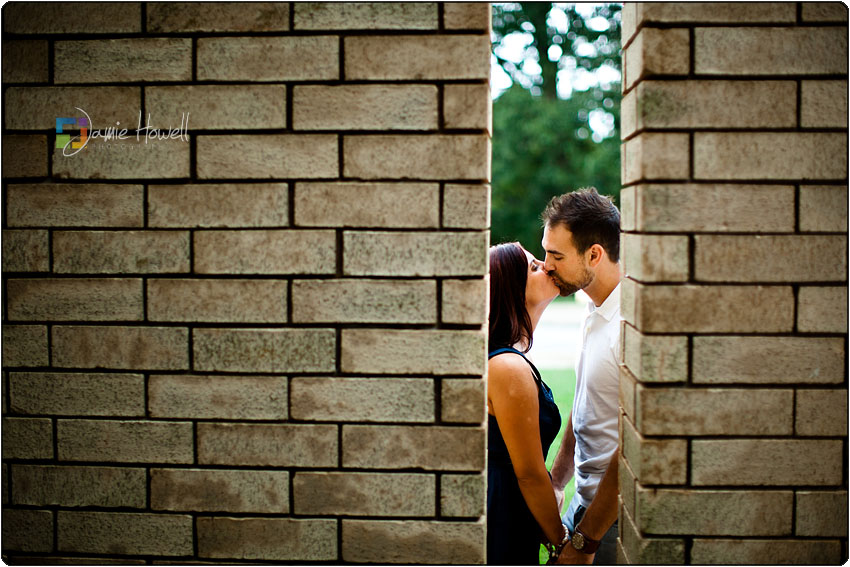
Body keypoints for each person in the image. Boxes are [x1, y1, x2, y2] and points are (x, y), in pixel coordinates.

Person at [541, 188, 622, 565]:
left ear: (594, 254)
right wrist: (558, 482)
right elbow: (585, 403)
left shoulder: (628, 326)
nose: (546, 266)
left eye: (556, 256)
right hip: (581, 504)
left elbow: (635, 451)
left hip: (612, 521)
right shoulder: (592, 305)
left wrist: (586, 543)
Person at [486, 242, 571, 565]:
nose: (548, 267)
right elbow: (529, 473)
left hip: (517, 509)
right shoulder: (508, 367)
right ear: (511, 291)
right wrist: (562, 543)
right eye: (535, 267)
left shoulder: (515, 357)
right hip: (505, 514)